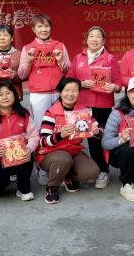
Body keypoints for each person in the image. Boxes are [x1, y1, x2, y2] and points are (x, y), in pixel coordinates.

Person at [66, 26, 122, 189]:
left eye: (98, 36)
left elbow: (119, 83)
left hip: (102, 105)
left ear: (104, 40)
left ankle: (103, 171)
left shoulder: (110, 58)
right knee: (83, 138)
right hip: (82, 105)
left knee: (99, 138)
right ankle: (83, 169)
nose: (94, 39)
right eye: (91, 36)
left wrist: (114, 87)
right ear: (86, 39)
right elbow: (69, 78)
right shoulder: (79, 57)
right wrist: (80, 83)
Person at [18, 13, 70, 185]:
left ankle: (62, 167)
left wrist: (60, 60)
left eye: (46, 26)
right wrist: (28, 61)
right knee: (42, 130)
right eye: (39, 26)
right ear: (33, 29)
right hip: (38, 94)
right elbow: (21, 75)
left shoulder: (59, 45)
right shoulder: (28, 48)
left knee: (60, 128)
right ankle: (41, 168)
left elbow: (67, 69)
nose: (44, 29)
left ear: (51, 28)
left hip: (59, 93)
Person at [37, 77, 101, 204]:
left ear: (79, 93)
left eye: (74, 91)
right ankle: (52, 188)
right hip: (49, 154)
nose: (70, 94)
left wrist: (97, 131)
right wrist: (60, 135)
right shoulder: (51, 112)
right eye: (67, 90)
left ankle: (66, 176)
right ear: (60, 92)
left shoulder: (84, 111)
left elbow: (99, 131)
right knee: (63, 159)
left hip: (72, 151)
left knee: (92, 172)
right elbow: (43, 141)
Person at [0, 81, 39, 201]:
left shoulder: (24, 115)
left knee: (26, 186)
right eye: (0, 94)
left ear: (15, 95)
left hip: (19, 158)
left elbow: (34, 136)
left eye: (8, 93)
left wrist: (28, 149)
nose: (5, 97)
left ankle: (22, 187)